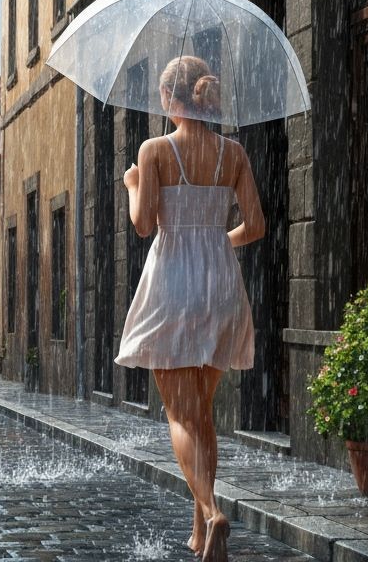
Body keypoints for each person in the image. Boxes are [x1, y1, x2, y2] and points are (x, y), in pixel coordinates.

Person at [116, 55, 265, 562]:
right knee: (202, 415)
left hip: (173, 286)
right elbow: (257, 226)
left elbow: (142, 225)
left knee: (180, 415)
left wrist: (135, 185)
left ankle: (213, 510)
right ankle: (201, 533)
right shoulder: (234, 152)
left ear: (166, 98)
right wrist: (215, 242)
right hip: (221, 284)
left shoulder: (155, 149)